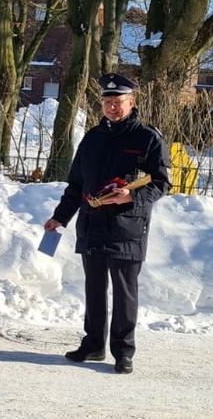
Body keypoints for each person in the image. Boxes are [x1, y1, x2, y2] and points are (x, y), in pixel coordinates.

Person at [44, 73, 171, 374]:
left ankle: (123, 350)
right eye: (108, 102)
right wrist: (59, 217)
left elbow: (162, 183)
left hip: (127, 228)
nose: (112, 107)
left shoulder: (148, 138)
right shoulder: (92, 138)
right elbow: (76, 184)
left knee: (125, 293)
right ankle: (94, 344)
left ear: (132, 102)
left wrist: (131, 196)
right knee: (94, 288)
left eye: (118, 102)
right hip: (92, 225)